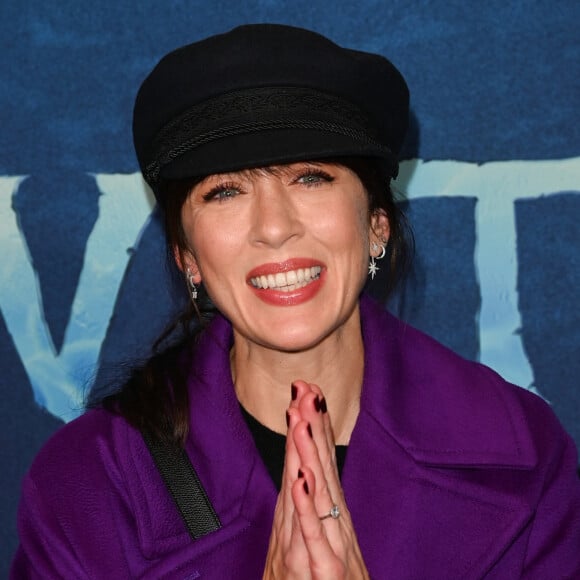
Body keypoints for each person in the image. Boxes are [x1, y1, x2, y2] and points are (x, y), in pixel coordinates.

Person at [11, 24, 580, 579]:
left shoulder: (523, 455)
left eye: (310, 177)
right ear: (186, 254)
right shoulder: (88, 485)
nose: (274, 227)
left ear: (377, 224)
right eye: (225, 191)